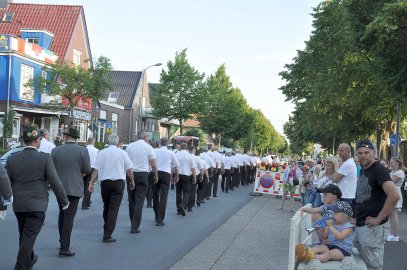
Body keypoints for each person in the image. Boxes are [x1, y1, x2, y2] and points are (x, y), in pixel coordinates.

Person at [6, 126, 69, 269]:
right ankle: (21, 266)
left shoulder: (12, 159)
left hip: (19, 205)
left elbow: (5, 183)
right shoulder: (44, 158)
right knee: (28, 235)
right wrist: (64, 201)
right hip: (37, 205)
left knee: (25, 234)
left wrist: (3, 203)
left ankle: (29, 259)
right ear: (36, 140)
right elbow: (55, 182)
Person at [354, 139, 399, 270]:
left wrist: (379, 218)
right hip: (362, 224)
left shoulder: (379, 170)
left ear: (373, 153)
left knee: (372, 266)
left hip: (374, 228)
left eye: (366, 152)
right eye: (360, 153)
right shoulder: (363, 168)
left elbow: (394, 195)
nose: (363, 155)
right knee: (362, 263)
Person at [51, 127, 91, 257]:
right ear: (76, 138)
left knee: (62, 214)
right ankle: (64, 247)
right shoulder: (82, 150)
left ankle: (62, 240)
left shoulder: (55, 150)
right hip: (74, 188)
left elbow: (51, 169)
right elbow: (87, 169)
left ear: (67, 137)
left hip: (59, 188)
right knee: (69, 217)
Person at [88, 134, 135, 242]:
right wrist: (132, 181)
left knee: (107, 206)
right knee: (113, 209)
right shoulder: (123, 153)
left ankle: (106, 226)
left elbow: (95, 169)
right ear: (118, 142)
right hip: (118, 183)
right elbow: (129, 169)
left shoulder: (102, 152)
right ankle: (107, 234)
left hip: (105, 183)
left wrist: (91, 182)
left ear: (108, 141)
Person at [126, 129, 158, 233]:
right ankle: (135, 226)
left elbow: (126, 162)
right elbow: (153, 163)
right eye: (147, 137)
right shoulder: (148, 147)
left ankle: (132, 222)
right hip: (143, 175)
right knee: (139, 200)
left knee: (132, 200)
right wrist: (155, 175)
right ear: (145, 137)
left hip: (131, 174)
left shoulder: (130, 146)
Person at [153, 138, 180, 226]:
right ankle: (160, 219)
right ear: (168, 143)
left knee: (155, 196)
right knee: (164, 197)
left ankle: (156, 215)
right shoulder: (170, 153)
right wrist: (176, 176)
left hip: (155, 173)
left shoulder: (155, 151)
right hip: (165, 174)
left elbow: (151, 163)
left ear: (160, 143)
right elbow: (176, 165)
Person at [331, 144, 357, 209]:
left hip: (345, 197)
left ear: (348, 152)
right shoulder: (347, 163)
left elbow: (335, 179)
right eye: (339, 150)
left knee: (340, 218)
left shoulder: (347, 164)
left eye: (342, 151)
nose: (339, 152)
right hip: (344, 196)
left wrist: (336, 167)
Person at [175, 143, 196, 216]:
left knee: (178, 192)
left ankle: (178, 209)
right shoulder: (189, 156)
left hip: (178, 174)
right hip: (187, 175)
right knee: (187, 192)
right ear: (187, 148)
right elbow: (193, 168)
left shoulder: (177, 154)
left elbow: (174, 166)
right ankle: (183, 205)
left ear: (180, 147)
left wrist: (173, 176)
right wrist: (194, 177)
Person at [387, 157, 405, 241]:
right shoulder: (393, 171)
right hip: (391, 193)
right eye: (390, 162)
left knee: (393, 215)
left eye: (391, 162)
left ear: (397, 163)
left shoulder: (400, 172)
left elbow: (390, 181)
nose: (390, 164)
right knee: (391, 215)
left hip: (395, 193)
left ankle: (395, 236)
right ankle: (392, 233)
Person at [82, 137, 99, 210]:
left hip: (83, 168)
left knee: (83, 186)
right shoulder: (97, 150)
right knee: (89, 185)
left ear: (87, 141)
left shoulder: (83, 149)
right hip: (92, 169)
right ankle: (85, 203)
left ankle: (87, 200)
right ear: (93, 142)